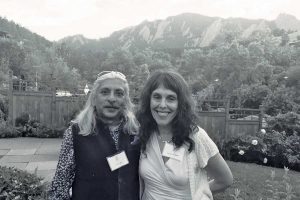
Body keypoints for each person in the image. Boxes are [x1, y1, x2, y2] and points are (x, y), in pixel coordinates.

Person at [137, 70, 233, 200]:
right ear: (149, 100)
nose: (162, 105)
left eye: (171, 98)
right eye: (157, 97)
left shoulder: (196, 137)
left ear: (181, 104)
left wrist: (199, 193)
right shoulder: (144, 135)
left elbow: (225, 180)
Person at [48, 71, 140, 200]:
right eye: (105, 92)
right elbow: (60, 186)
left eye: (119, 93)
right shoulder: (76, 132)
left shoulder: (136, 132)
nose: (112, 99)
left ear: (126, 100)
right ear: (94, 97)